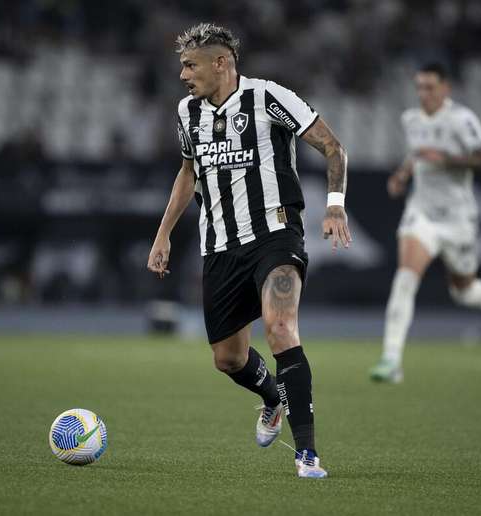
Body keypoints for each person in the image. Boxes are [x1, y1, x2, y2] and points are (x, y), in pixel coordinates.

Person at [147, 23, 351, 479]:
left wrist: (335, 207)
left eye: (189, 65)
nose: (182, 75)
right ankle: (272, 397)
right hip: (219, 246)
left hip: (275, 236)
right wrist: (163, 233)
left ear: (221, 62)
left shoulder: (269, 97)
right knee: (229, 359)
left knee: (281, 329)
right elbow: (188, 172)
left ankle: (307, 455)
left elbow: (333, 148)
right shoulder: (187, 112)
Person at [369, 63, 481, 384]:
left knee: (463, 291)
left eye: (430, 87)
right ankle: (391, 360)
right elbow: (416, 155)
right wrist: (402, 176)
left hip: (458, 218)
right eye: (420, 87)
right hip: (422, 215)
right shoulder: (411, 119)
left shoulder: (462, 120)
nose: (424, 94)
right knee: (405, 279)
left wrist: (446, 160)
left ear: (445, 89)